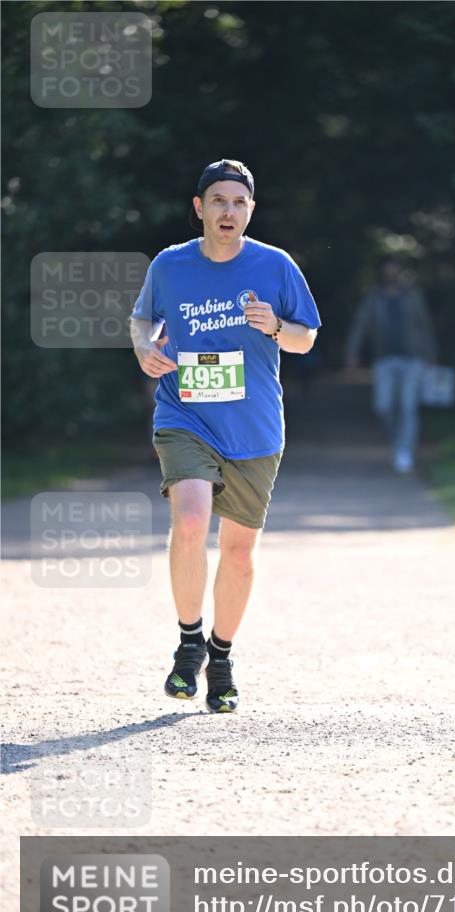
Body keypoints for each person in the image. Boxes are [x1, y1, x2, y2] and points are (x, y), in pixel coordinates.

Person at [130, 158, 321, 714]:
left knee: (237, 552)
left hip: (255, 428)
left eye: (238, 202)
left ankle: (222, 655)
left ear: (251, 210)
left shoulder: (276, 266)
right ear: (200, 209)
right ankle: (189, 644)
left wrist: (277, 328)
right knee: (190, 521)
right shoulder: (170, 265)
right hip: (185, 415)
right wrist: (145, 348)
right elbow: (144, 320)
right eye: (218, 201)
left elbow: (306, 339)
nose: (228, 211)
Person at [345, 258, 436, 473]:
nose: (391, 275)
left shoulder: (413, 295)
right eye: (387, 271)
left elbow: (425, 325)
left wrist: (430, 353)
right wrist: (352, 351)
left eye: (394, 271)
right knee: (383, 406)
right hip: (384, 358)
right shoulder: (374, 297)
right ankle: (398, 443)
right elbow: (361, 324)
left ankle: (404, 451)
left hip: (412, 358)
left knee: (408, 406)